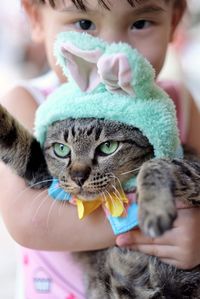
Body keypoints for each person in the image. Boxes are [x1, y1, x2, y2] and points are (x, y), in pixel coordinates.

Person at [1, 0, 200, 298]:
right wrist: (155, 223)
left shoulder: (176, 103)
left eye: (140, 23)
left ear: (174, 20)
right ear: (36, 19)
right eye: (84, 24)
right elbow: (31, 221)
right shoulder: (28, 101)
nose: (112, 50)